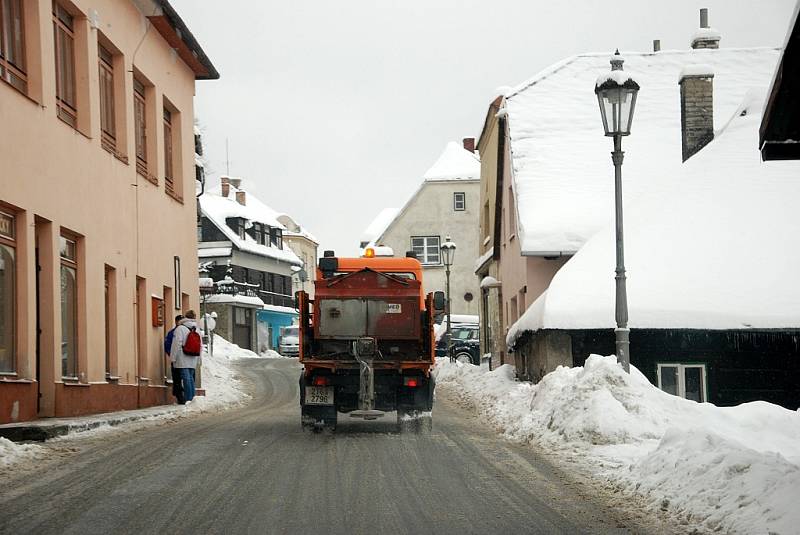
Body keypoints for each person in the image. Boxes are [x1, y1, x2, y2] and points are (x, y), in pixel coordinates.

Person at [170, 309, 203, 404]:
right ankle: (193, 398)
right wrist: (199, 359)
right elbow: (200, 344)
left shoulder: (180, 328)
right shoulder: (197, 329)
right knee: (191, 378)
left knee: (186, 378)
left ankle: (189, 399)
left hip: (182, 357)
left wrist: (173, 357)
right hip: (193, 356)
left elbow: (176, 343)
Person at [164, 314, 184, 404]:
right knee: (178, 379)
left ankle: (179, 395)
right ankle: (180, 396)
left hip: (180, 359)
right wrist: (172, 356)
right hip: (178, 359)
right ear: (176, 321)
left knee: (178, 378)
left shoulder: (181, 331)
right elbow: (167, 345)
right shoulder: (172, 332)